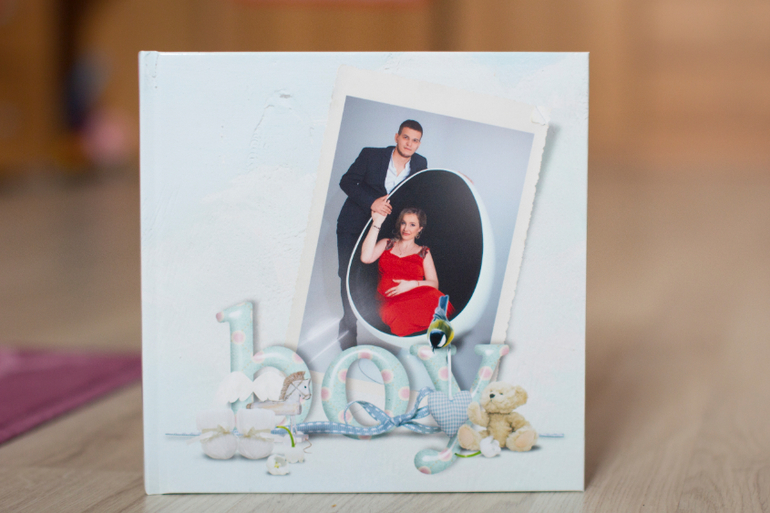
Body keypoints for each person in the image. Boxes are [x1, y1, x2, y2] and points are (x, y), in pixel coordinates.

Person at [336, 120, 428, 349]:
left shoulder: (420, 163)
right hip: (352, 225)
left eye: (415, 140)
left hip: (383, 231)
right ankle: (348, 329)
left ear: (419, 144)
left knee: (371, 277)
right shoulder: (371, 155)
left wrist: (458, 178)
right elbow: (346, 181)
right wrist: (372, 202)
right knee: (346, 275)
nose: (409, 143)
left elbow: (425, 188)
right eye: (405, 137)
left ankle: (381, 326)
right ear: (397, 137)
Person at [360, 207, 455, 337]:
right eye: (403, 223)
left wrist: (411, 285)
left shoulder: (423, 252)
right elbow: (365, 258)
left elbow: (434, 284)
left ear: (420, 229)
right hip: (389, 301)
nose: (406, 228)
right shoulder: (387, 244)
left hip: (416, 298)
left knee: (438, 304)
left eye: (412, 225)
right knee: (396, 314)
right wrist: (376, 222)